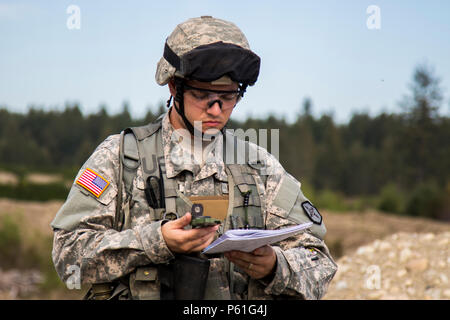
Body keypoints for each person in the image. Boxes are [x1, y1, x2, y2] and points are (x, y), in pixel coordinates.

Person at [51, 16, 337, 300]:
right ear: (175, 88)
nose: (216, 110)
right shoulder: (120, 158)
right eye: (203, 95)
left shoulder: (259, 167)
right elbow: (68, 256)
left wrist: (275, 266)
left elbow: (319, 262)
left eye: (228, 97)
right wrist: (156, 241)